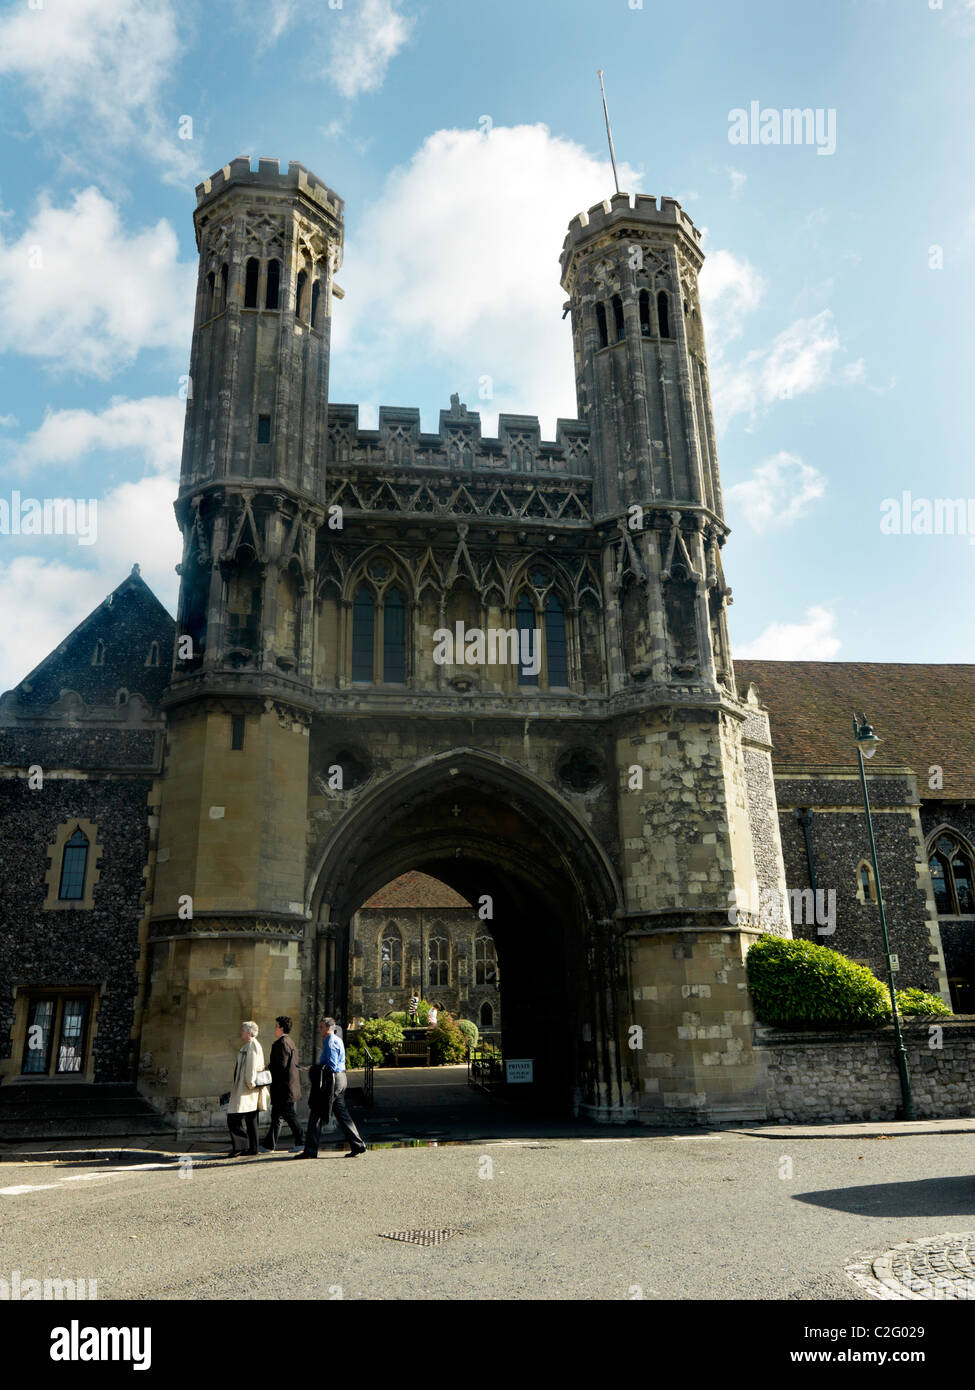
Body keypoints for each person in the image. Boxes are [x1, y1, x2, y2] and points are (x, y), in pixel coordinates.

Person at [294, 1017, 366, 1160]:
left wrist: (314, 1068)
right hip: (340, 1078)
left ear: (328, 1028)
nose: (319, 1030)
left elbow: (331, 1066)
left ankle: (310, 1150)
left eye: (321, 1027)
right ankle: (357, 1144)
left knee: (316, 1112)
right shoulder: (336, 1040)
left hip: (333, 1080)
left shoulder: (330, 1042)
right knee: (341, 1114)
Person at [224, 1021, 269, 1157]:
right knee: (251, 1120)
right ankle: (251, 1148)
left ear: (249, 1033)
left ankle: (241, 1146)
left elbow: (251, 1067)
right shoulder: (250, 1045)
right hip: (246, 1089)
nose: (241, 1033)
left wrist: (250, 1084)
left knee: (234, 1118)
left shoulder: (252, 1046)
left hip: (246, 1090)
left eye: (243, 1030)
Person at [261, 1015, 304, 1153]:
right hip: (285, 1087)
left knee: (289, 1116)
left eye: (276, 1026)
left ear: (281, 1028)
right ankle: (269, 1145)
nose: (275, 1029)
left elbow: (281, 1066)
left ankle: (301, 1141)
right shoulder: (289, 1042)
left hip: (283, 1088)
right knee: (276, 1117)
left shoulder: (282, 1043)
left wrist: (267, 1070)